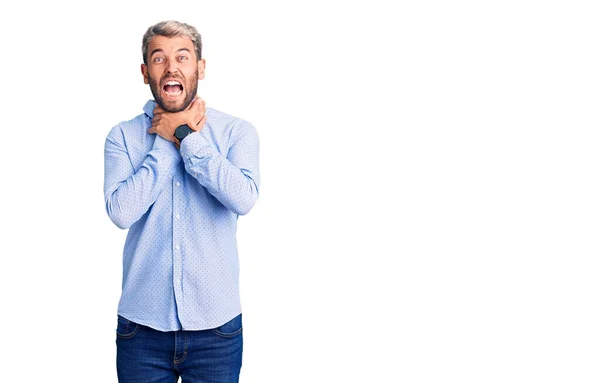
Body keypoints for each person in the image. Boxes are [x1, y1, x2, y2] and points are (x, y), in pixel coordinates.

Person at [103, 20, 260, 383]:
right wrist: (164, 142)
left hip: (216, 332)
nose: (171, 67)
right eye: (159, 58)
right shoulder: (122, 137)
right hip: (141, 330)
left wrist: (187, 137)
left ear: (200, 68)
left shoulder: (237, 132)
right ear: (146, 73)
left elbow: (244, 198)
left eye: (182, 57)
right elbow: (121, 212)